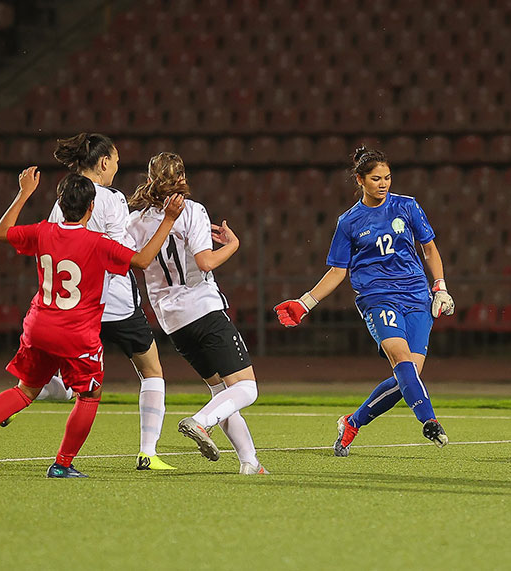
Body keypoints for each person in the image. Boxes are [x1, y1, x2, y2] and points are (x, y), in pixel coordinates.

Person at [0, 168, 185, 477]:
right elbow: (141, 261)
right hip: (75, 333)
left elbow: (1, 233)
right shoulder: (98, 243)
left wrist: (24, 193)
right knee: (90, 394)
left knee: (25, 391)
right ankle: (62, 464)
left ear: (60, 202)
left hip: (39, 327)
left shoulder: (43, 231)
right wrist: (168, 220)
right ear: (91, 207)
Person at [274, 147, 455, 456]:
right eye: (375, 179)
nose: (383, 184)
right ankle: (429, 421)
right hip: (377, 297)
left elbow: (429, 249)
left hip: (416, 295)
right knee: (402, 362)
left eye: (387, 178)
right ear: (359, 180)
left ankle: (352, 422)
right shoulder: (349, 222)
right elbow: (337, 271)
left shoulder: (408, 207)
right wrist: (305, 303)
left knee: (408, 378)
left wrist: (440, 287)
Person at [34, 133, 175, 471]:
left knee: (72, 377)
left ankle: (47, 388)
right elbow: (127, 256)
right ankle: (148, 452)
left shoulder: (63, 199)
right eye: (114, 160)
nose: (117, 166)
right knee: (152, 371)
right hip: (116, 303)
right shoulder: (111, 198)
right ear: (101, 164)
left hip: (78, 305)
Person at [126, 152, 266, 475]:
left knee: (222, 392)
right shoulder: (192, 211)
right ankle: (201, 422)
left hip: (172, 323)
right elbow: (205, 262)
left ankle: (250, 462)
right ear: (181, 179)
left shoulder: (136, 221)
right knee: (247, 388)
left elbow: (134, 262)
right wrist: (232, 245)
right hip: (203, 309)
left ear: (150, 180)